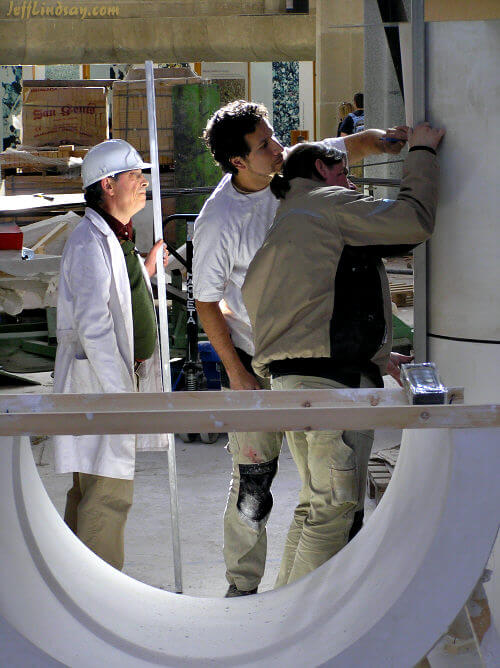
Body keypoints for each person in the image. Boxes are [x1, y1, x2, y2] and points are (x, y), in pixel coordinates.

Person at [193, 99, 410, 597]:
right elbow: (207, 304)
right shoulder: (219, 222)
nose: (276, 149)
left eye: (273, 138)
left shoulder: (287, 170)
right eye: (264, 145)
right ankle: (241, 588)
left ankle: (308, 594)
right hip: (251, 358)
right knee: (254, 481)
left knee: (325, 490)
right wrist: (239, 374)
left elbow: (342, 146)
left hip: (304, 351)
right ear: (237, 162)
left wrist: (386, 139)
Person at [242, 121, 445, 587]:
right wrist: (422, 152)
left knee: (316, 505)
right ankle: (300, 635)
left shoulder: (290, 220)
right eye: (346, 175)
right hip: (331, 387)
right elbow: (413, 221)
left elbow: (318, 306)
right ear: (322, 169)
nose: (353, 189)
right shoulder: (327, 203)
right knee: (334, 508)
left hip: (296, 384)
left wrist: (374, 358)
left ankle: (281, 616)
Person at [53, 139, 168, 571]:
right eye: (134, 175)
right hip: (102, 387)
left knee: (89, 489)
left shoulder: (116, 238)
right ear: (108, 184)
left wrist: (146, 269)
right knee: (108, 497)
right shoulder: (88, 243)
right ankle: (98, 594)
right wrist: (122, 395)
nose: (143, 183)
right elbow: (94, 326)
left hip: (111, 385)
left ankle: (69, 581)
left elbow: (118, 292)